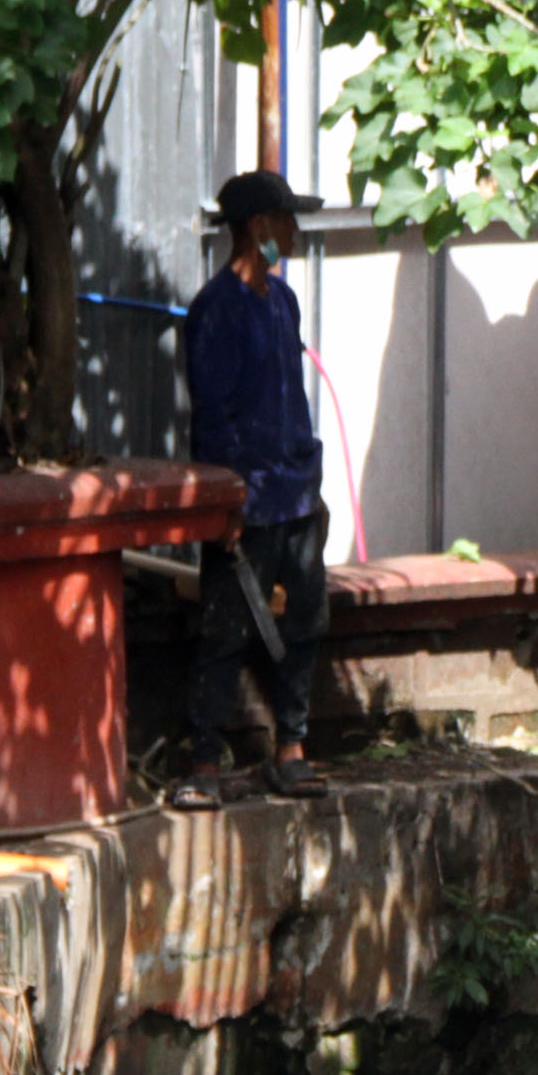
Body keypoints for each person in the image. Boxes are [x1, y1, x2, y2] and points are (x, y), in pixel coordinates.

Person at [175, 170, 331, 810]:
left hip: (295, 494)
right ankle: (204, 760)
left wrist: (310, 481)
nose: (293, 231)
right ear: (259, 227)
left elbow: (291, 399)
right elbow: (212, 418)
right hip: (249, 500)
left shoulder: (282, 302)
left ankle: (290, 750)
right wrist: (228, 502)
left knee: (304, 623)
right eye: (286, 220)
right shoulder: (216, 308)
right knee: (225, 630)